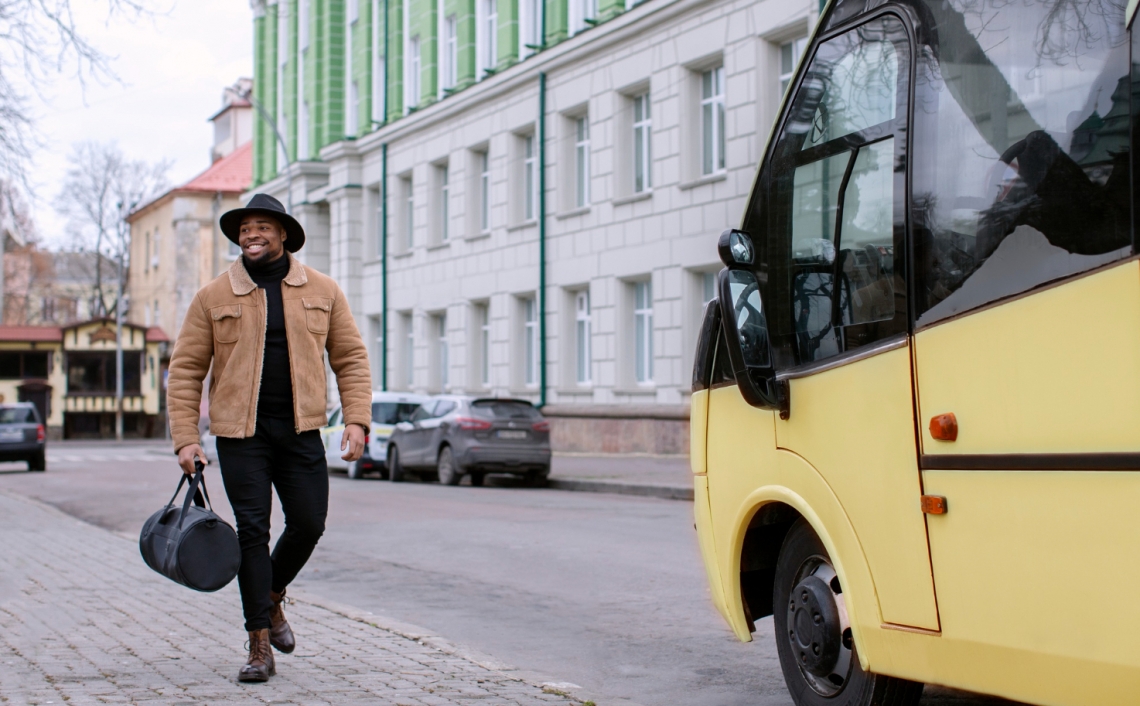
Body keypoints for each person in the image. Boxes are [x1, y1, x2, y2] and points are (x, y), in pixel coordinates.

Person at [166, 193, 372, 682]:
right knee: (252, 533)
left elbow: (351, 357)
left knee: (309, 523)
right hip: (241, 436)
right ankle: (259, 643)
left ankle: (272, 594)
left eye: (262, 226)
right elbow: (186, 371)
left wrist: (357, 420)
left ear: (282, 234)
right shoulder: (213, 297)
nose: (251, 234)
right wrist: (184, 439)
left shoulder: (322, 290)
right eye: (244, 228)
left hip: (301, 430)